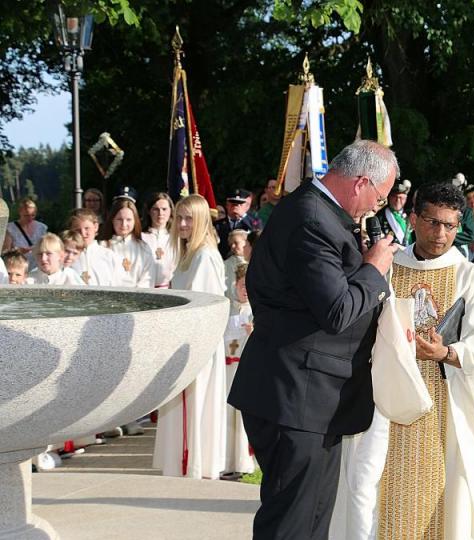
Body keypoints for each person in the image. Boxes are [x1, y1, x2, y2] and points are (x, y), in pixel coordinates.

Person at [227, 140, 400, 539]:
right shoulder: (311, 219)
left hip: (313, 399)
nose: (377, 208)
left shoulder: (321, 213)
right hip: (295, 395)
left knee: (314, 521)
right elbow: (336, 310)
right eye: (379, 197)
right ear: (360, 183)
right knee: (291, 524)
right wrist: (374, 269)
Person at [329, 181, 474, 540]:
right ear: (413, 219)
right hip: (383, 402)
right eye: (432, 222)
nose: (440, 233)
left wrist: (446, 352)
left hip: (447, 403)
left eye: (450, 225)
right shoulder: (386, 266)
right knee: (370, 487)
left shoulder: (470, 277)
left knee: (448, 495)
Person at [153, 194, 228, 480]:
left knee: (197, 407)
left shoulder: (204, 256)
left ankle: (196, 465)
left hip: (197, 345)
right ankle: (181, 465)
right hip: (183, 341)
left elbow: (204, 309)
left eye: (189, 219)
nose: (182, 224)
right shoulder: (189, 255)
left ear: (201, 221)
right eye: (180, 218)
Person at [222, 263, 256, 479]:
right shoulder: (226, 309)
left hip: (244, 368)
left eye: (249, 286)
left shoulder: (256, 311)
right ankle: (226, 460)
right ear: (235, 285)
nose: (245, 290)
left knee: (241, 418)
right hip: (227, 369)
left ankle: (244, 460)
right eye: (242, 285)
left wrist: (253, 332)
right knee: (226, 417)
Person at [100, 199, 156, 288]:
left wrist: (136, 294)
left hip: (139, 295)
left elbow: (148, 277)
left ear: (135, 221)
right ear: (112, 220)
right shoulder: (102, 247)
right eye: (119, 219)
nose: (124, 224)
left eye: (128, 220)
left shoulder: (144, 247)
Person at [67, 208, 123, 286]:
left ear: (96, 227)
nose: (83, 233)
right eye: (77, 230)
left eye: (87, 228)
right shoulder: (67, 257)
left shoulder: (110, 257)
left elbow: (117, 286)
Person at [141, 192, 178, 288]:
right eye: (156, 209)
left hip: (170, 289)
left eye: (164, 209)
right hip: (145, 289)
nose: (160, 213)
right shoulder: (141, 237)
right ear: (149, 211)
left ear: (171, 211)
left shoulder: (176, 238)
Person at [214, 188, 261, 259]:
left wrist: (243, 217)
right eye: (232, 204)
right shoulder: (218, 225)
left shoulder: (254, 222)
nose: (235, 207)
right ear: (227, 205)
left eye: (239, 204)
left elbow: (257, 237)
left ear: (246, 206)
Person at [3, 197, 48, 270]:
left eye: (32, 215)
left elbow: (47, 247)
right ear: (20, 212)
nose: (30, 218)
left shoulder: (42, 227)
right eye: (26, 215)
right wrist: (17, 251)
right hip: (19, 266)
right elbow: (5, 252)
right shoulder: (10, 228)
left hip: (38, 267)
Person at [375, 179, 412, 246]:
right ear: (389, 197)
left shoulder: (411, 215)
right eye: (394, 197)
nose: (397, 200)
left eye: (401, 198)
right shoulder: (380, 216)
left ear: (406, 199)